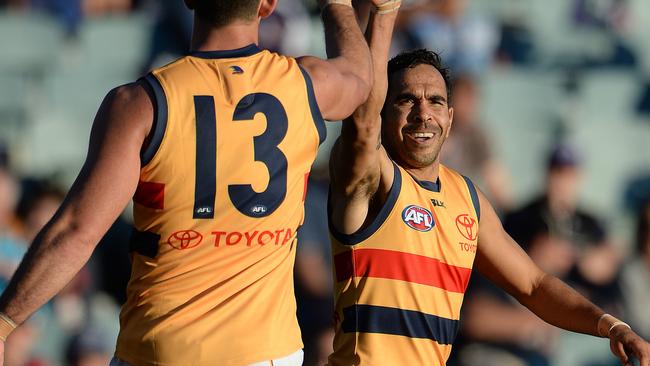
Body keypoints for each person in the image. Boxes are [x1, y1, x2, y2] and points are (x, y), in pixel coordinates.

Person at [0, 0, 381, 364]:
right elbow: (359, 76)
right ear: (267, 5)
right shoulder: (305, 86)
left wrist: (5, 323)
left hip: (160, 350)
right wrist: (337, 6)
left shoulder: (140, 104)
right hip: (265, 351)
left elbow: (77, 232)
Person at [326, 12, 650, 366]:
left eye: (434, 101)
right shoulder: (372, 179)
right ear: (384, 115)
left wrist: (610, 325)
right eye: (406, 100)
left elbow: (534, 285)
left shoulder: (466, 197)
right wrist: (385, 14)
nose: (423, 113)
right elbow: (361, 124)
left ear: (450, 118)